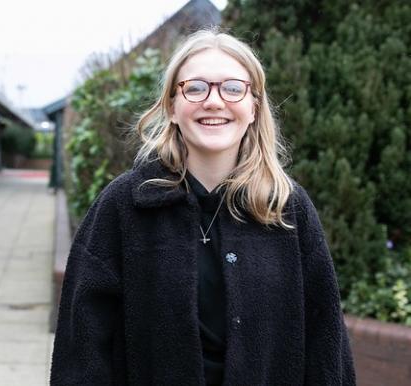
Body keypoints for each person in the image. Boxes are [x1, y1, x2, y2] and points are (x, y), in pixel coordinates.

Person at [50, 30, 356, 386]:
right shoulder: (124, 205)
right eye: (195, 88)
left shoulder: (288, 209)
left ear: (254, 107)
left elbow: (325, 342)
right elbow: (82, 346)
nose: (214, 101)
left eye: (232, 88)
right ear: (171, 107)